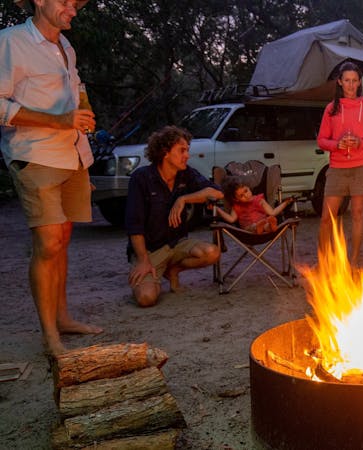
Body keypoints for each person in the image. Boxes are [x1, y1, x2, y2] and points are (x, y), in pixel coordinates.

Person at [0, 0, 101, 355]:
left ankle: (63, 319)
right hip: (35, 154)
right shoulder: (11, 42)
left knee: (63, 240)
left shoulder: (65, 45)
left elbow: (76, 83)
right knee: (48, 245)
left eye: (75, 4)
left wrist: (83, 104)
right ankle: (50, 337)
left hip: (72, 154)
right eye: (65, 2)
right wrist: (59, 120)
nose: (72, 9)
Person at [126, 126, 224, 307]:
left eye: (187, 150)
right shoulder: (142, 178)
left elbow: (217, 193)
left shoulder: (186, 174)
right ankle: (151, 270)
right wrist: (143, 260)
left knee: (212, 252)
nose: (187, 155)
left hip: (177, 243)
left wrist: (184, 198)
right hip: (150, 249)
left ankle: (173, 270)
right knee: (146, 298)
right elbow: (134, 225)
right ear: (165, 152)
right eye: (182, 150)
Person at [316, 61, 363, 264]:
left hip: (362, 166)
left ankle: (353, 260)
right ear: (339, 82)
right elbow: (321, 140)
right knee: (326, 217)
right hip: (337, 167)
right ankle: (322, 262)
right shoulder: (331, 109)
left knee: (357, 215)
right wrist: (337, 144)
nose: (350, 85)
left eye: (354, 81)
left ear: (359, 83)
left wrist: (361, 143)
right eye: (346, 80)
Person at [215, 178, 294, 234]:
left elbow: (272, 212)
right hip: (248, 230)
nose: (246, 195)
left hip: (264, 226)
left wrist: (285, 203)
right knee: (253, 226)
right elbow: (231, 219)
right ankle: (259, 227)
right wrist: (217, 209)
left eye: (246, 191)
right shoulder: (237, 206)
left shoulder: (260, 200)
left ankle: (270, 226)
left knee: (266, 225)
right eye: (241, 196)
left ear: (249, 187)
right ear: (236, 199)